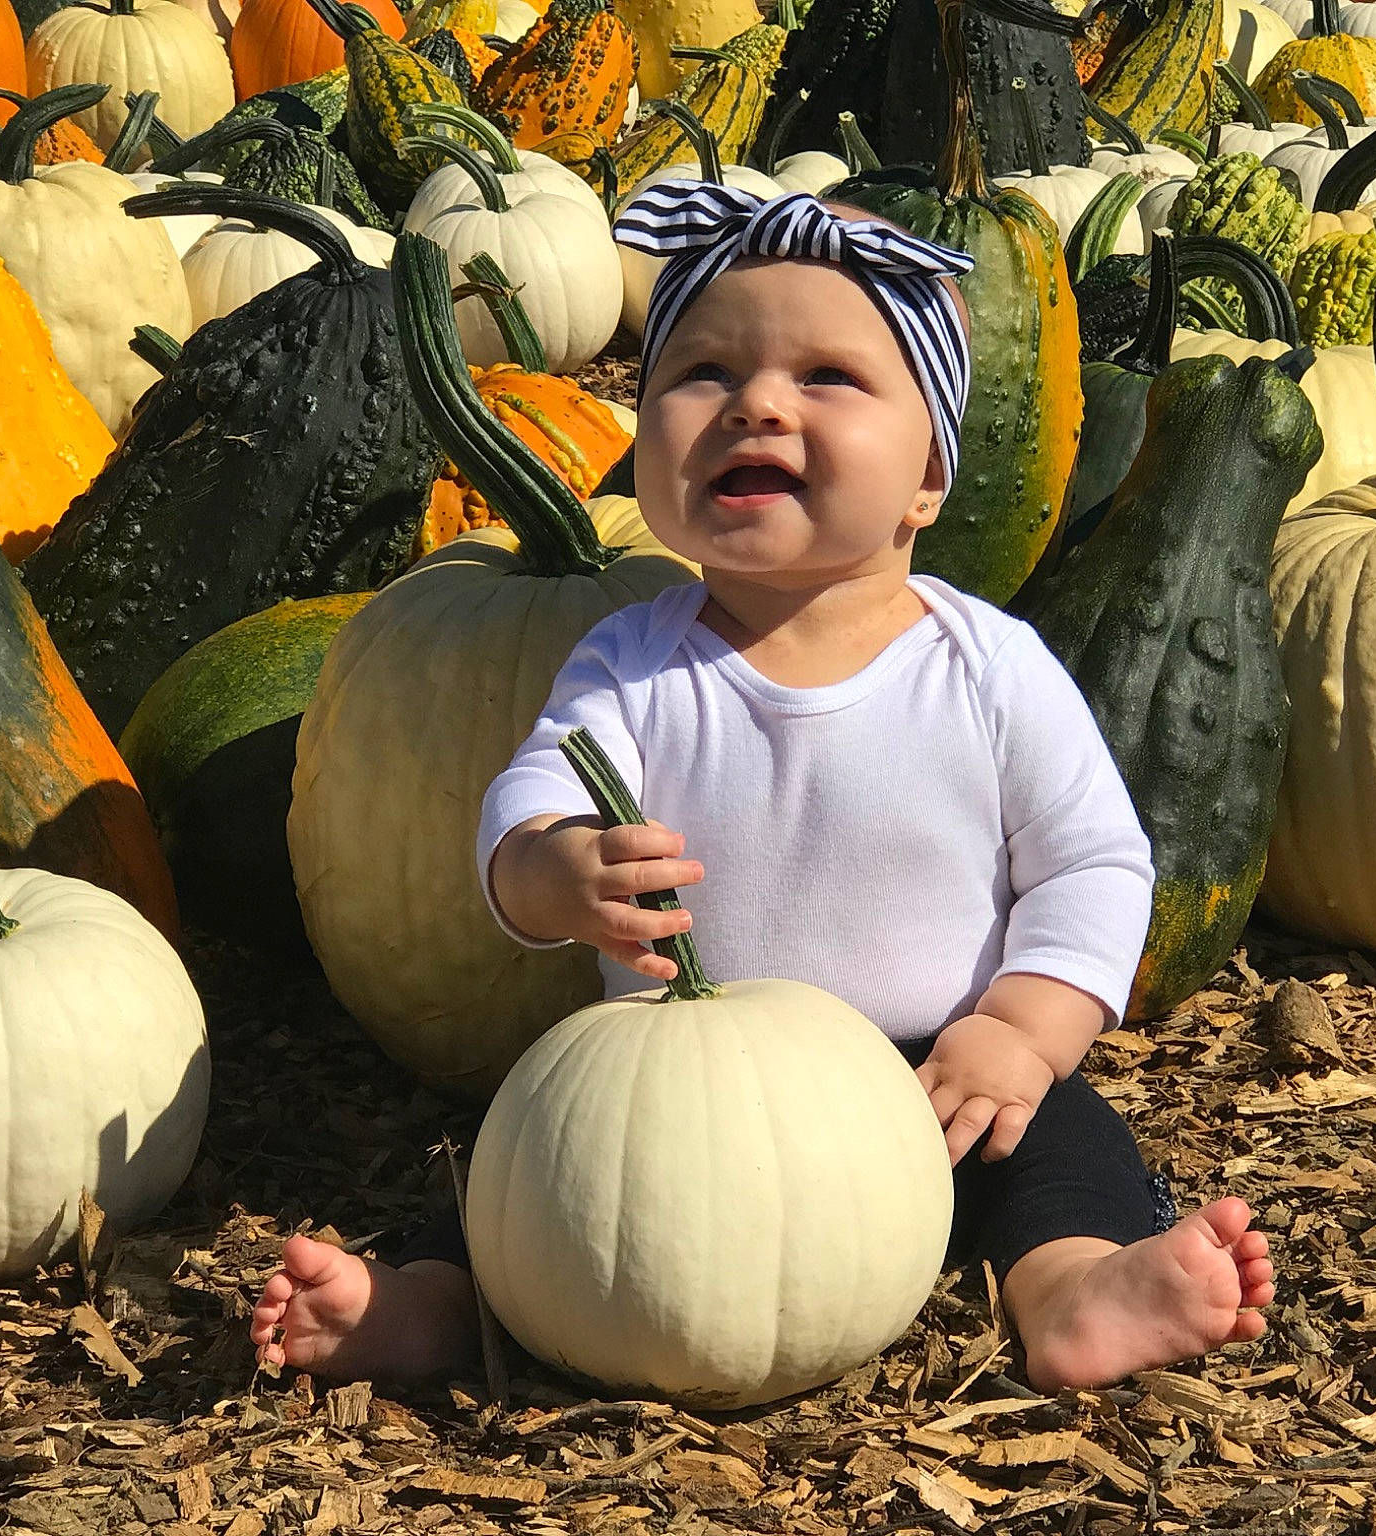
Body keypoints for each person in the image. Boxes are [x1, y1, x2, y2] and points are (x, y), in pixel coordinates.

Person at [250, 182, 1275, 1391]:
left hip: (935, 1073)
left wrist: (1023, 1030)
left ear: (927, 478)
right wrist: (553, 869)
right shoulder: (630, 660)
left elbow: (1094, 865)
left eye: (828, 378)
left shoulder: (989, 667)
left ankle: (1071, 1291)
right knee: (524, 1161)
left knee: (1057, 1147)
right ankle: (424, 1307)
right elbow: (527, 800)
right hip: (677, 1087)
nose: (754, 404)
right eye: (702, 372)